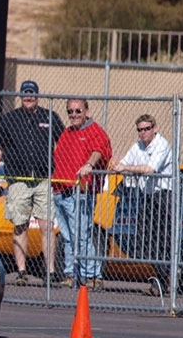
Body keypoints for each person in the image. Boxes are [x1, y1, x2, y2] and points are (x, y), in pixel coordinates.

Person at [0, 80, 65, 286]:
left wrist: (63, 171)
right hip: (19, 180)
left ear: (37, 96)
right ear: (21, 96)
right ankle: (21, 271)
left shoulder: (49, 117)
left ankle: (50, 272)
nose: (29, 98)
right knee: (20, 225)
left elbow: (64, 144)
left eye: (32, 94)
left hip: (43, 180)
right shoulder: (10, 119)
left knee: (47, 226)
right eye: (25, 94)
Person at [51, 98, 112, 290]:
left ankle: (92, 276)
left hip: (80, 193)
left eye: (78, 111)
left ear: (86, 111)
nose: (74, 115)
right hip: (60, 191)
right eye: (70, 111)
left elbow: (99, 151)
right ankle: (71, 274)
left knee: (82, 236)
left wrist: (89, 165)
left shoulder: (95, 131)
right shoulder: (67, 133)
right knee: (68, 237)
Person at [110, 114, 173, 294]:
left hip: (164, 196)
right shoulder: (137, 146)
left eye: (147, 129)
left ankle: (165, 278)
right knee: (144, 239)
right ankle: (163, 277)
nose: (143, 132)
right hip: (147, 196)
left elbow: (149, 169)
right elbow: (123, 163)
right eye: (140, 130)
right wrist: (117, 164)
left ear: (154, 129)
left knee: (162, 240)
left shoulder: (161, 144)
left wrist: (125, 168)